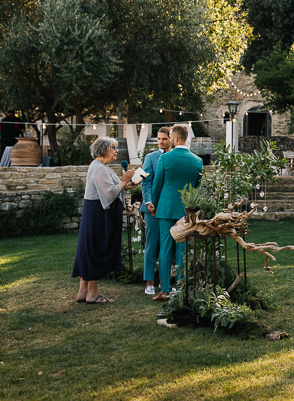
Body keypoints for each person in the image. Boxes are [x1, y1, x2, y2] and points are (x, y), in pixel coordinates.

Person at [72, 137, 137, 304]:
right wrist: (123, 181)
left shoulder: (100, 167)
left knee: (89, 248)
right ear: (103, 150)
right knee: (96, 248)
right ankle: (92, 294)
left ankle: (83, 291)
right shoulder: (99, 168)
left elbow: (113, 187)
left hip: (95, 213)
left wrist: (126, 185)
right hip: (98, 215)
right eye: (113, 148)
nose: (116, 151)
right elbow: (109, 193)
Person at [148, 124, 203, 301]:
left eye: (170, 136)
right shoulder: (197, 161)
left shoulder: (165, 159)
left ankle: (164, 290)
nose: (169, 139)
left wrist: (155, 204)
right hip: (185, 211)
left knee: (165, 248)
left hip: (165, 209)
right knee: (182, 249)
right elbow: (197, 188)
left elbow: (157, 185)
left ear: (176, 138)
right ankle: (180, 288)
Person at [140, 127, 171, 296]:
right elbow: (146, 183)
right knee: (151, 244)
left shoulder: (174, 158)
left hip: (168, 208)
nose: (161, 141)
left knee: (167, 246)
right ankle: (149, 281)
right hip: (151, 209)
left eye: (164, 139)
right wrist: (150, 202)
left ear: (171, 140)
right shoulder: (150, 158)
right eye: (159, 139)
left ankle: (164, 281)